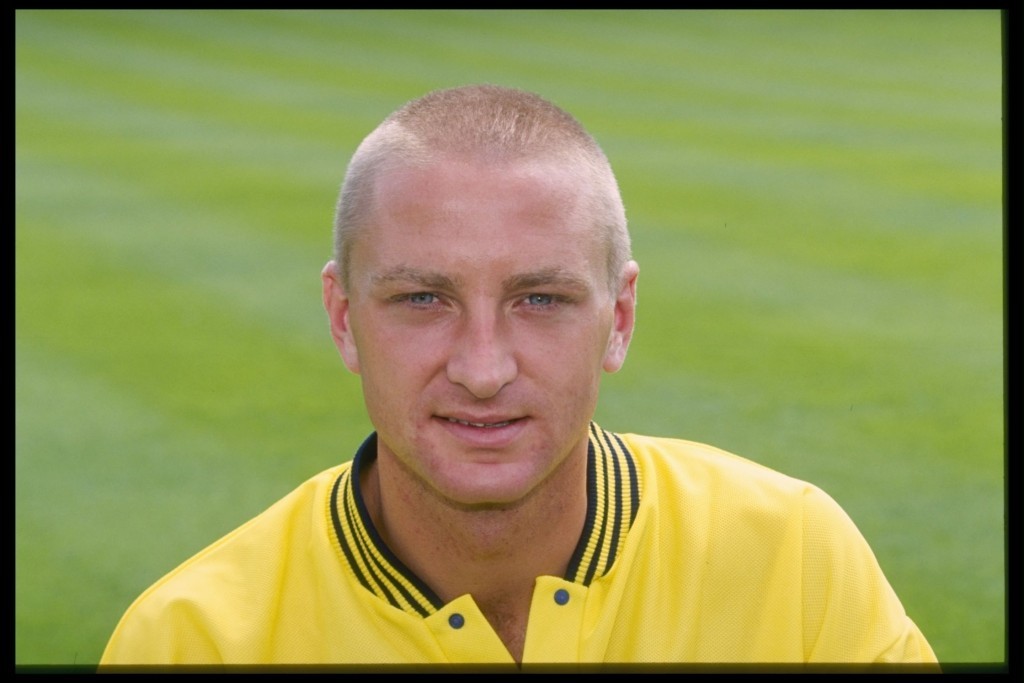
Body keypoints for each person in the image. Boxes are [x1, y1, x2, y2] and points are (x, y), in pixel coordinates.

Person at [99, 84, 938, 670]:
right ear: (344, 316)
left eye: (540, 298)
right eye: (423, 297)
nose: (483, 368)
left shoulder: (793, 560)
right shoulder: (189, 640)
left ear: (620, 317)